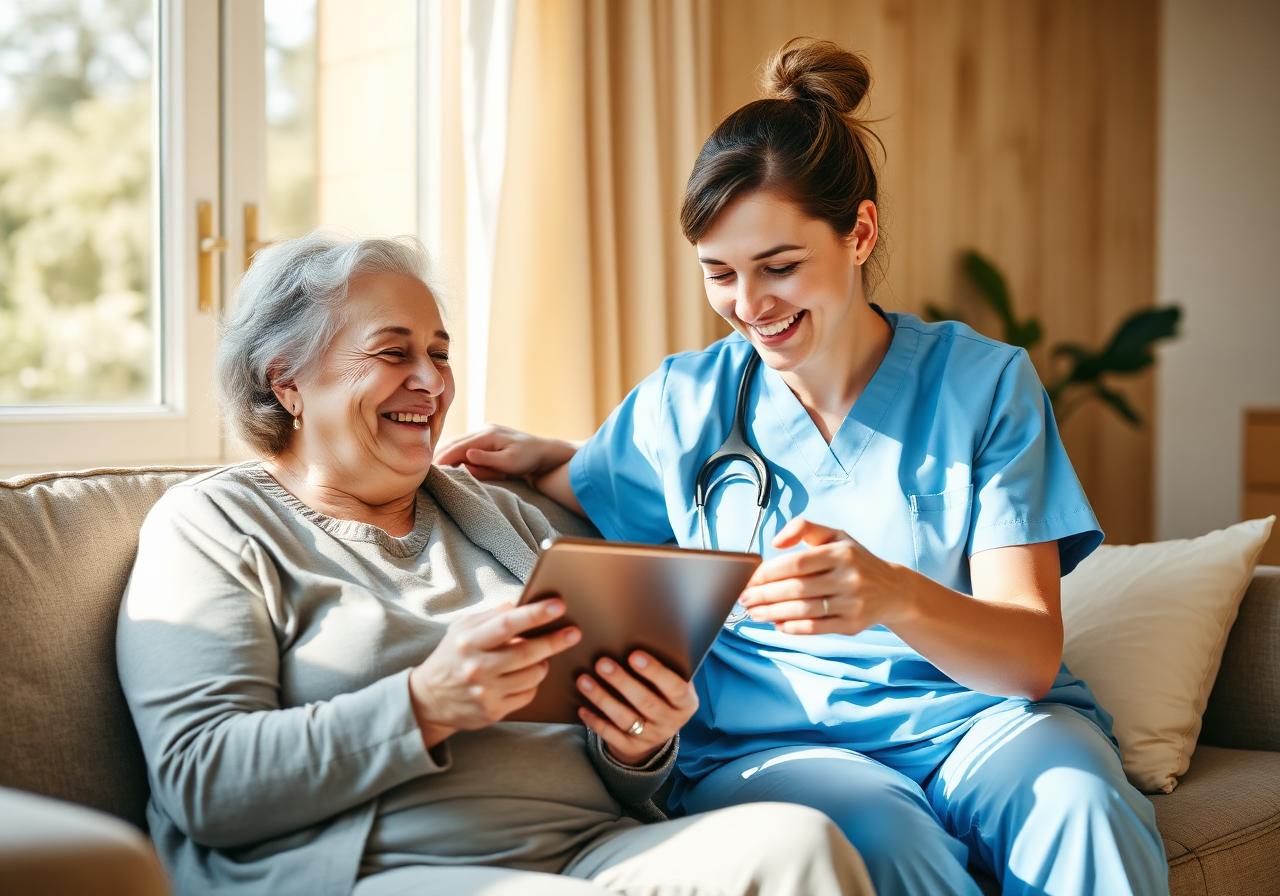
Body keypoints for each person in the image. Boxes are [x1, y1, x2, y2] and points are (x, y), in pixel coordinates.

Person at [437, 38, 1170, 896]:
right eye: (721, 274)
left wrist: (892, 593)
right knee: (880, 840)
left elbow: (1028, 658)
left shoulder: (982, 384)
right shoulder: (682, 403)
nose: (750, 306)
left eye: (780, 267)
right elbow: (585, 485)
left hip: (983, 723)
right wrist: (551, 455)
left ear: (858, 233)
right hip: (784, 748)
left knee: (1080, 802)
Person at [115, 234, 871, 896]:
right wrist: (424, 703)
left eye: (439, 355)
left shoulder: (495, 514)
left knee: (797, 846)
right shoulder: (214, 526)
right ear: (287, 381)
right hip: (380, 869)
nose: (432, 382)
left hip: (590, 853)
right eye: (393, 352)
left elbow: (621, 764)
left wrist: (636, 742)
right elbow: (201, 780)